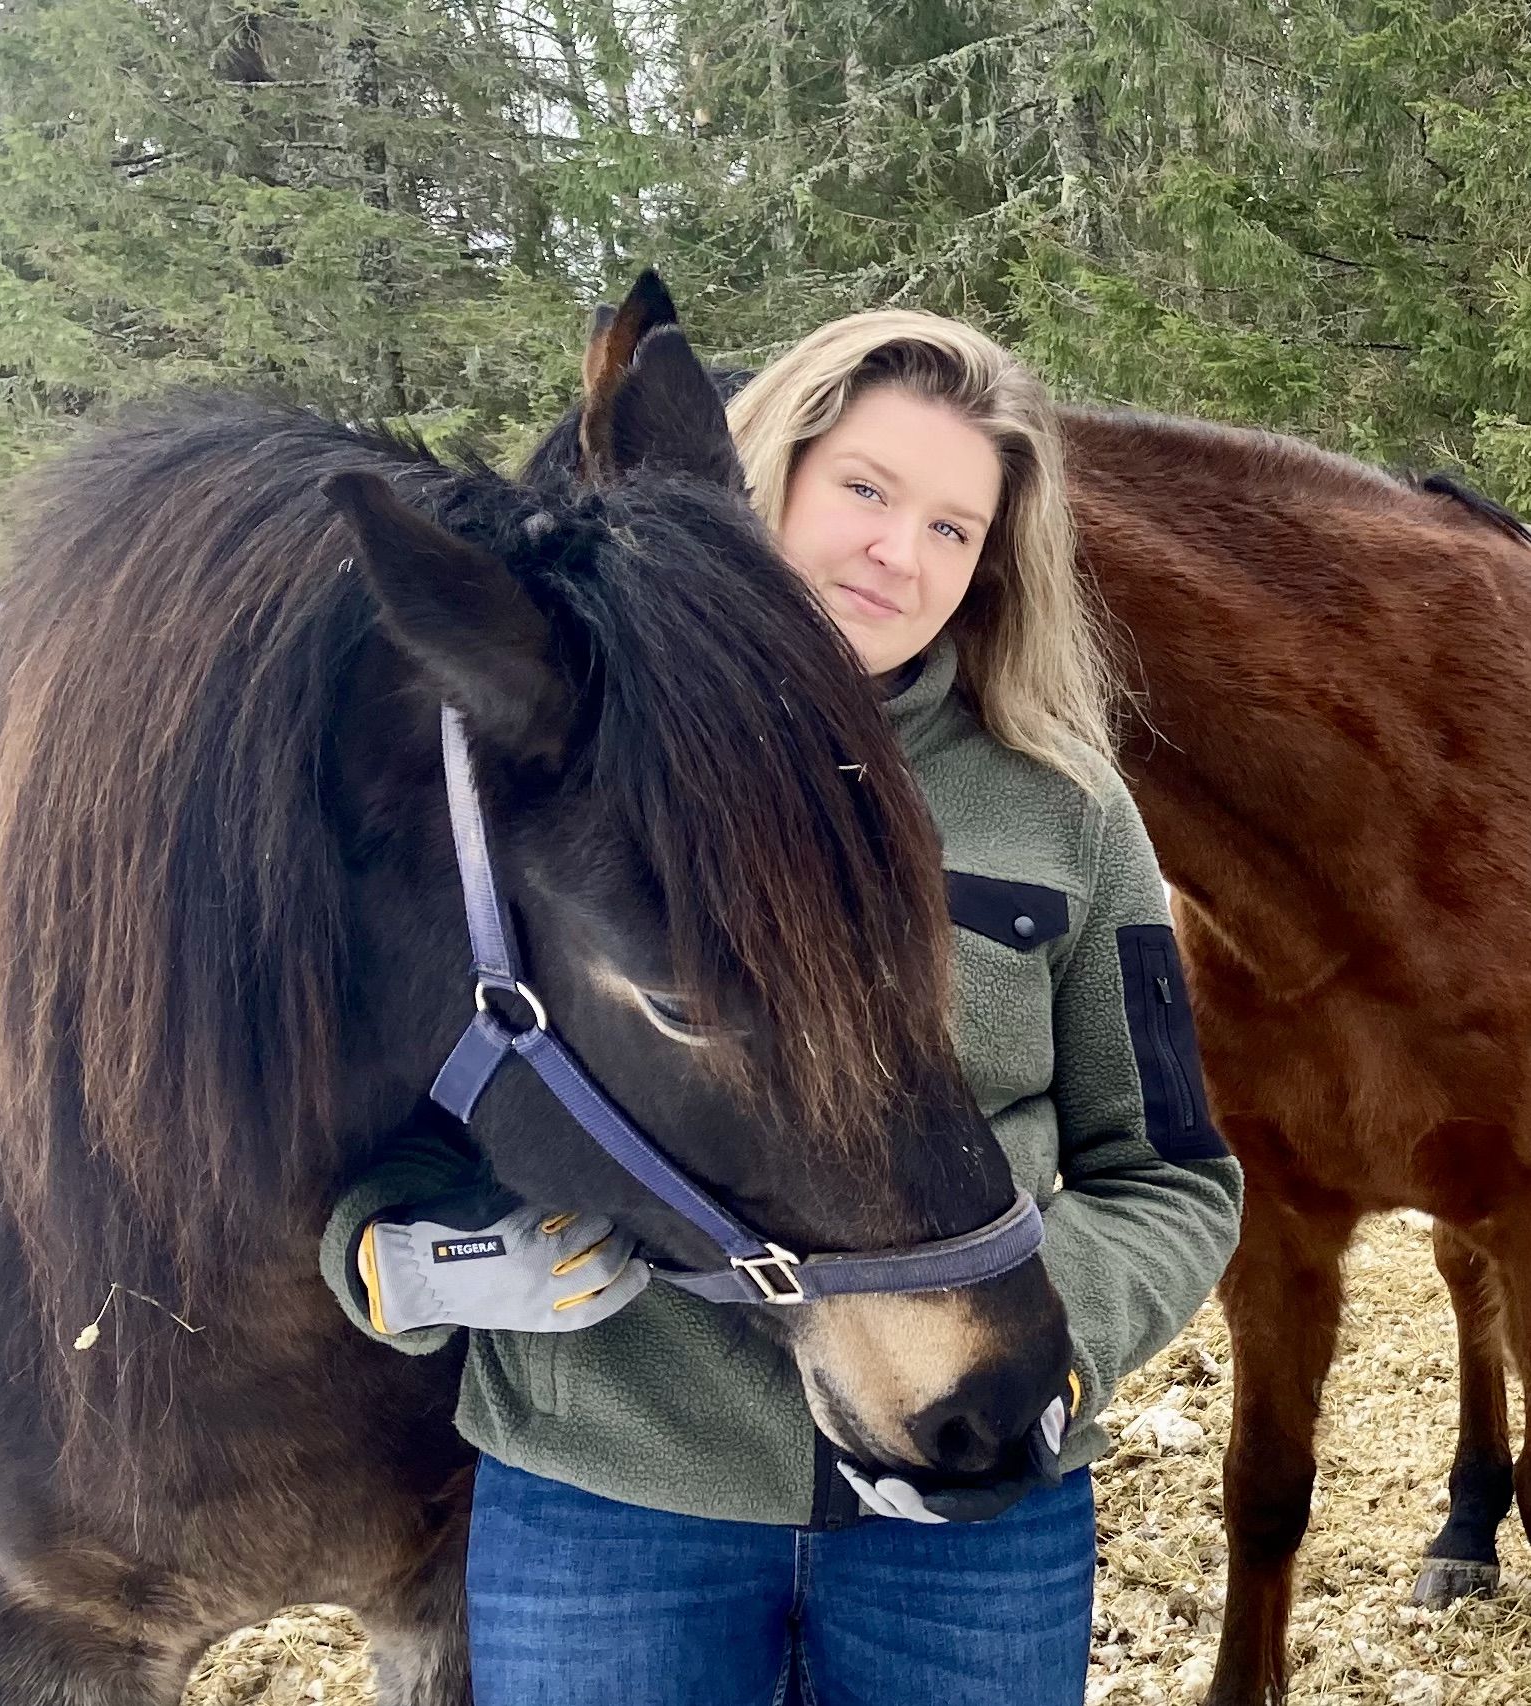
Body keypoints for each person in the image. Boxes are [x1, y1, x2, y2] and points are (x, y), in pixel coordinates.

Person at [320, 310, 1244, 1706]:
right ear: (769, 475)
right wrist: (402, 1260)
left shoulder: (1066, 808)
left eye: (953, 526)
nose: (899, 551)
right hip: (611, 1504)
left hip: (976, 1509)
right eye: (865, 489)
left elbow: (1170, 1168)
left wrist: (1046, 1350)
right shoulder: (539, 763)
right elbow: (398, 1096)